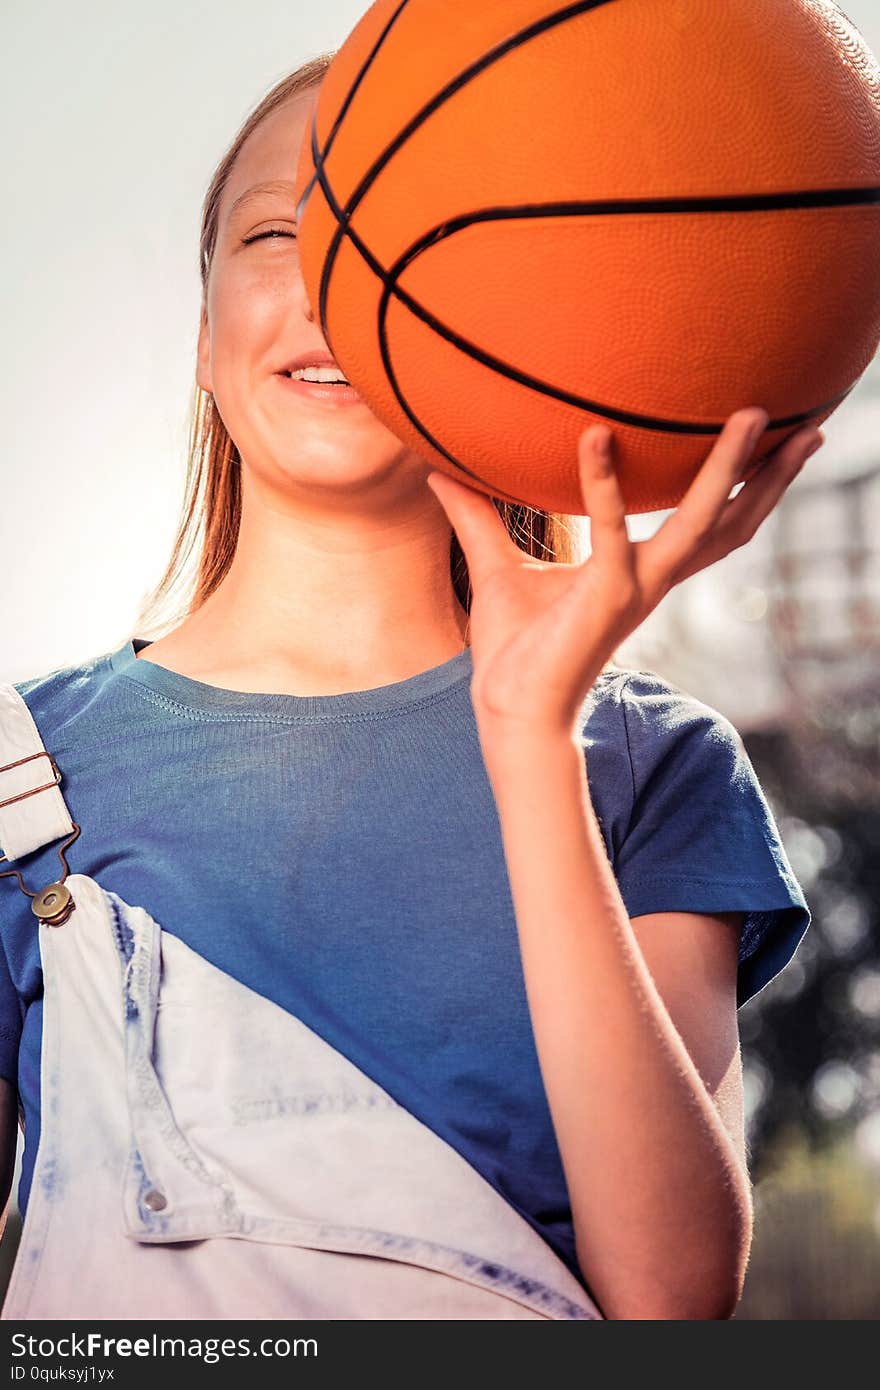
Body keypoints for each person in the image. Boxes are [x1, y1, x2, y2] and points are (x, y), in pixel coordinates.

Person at [0, 52, 822, 1322]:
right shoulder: (24, 769)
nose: (337, 284)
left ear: (511, 340)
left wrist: (527, 729)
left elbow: (670, 1300)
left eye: (402, 240)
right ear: (208, 338)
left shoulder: (651, 760)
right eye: (277, 233)